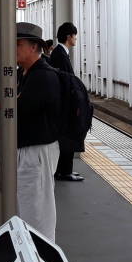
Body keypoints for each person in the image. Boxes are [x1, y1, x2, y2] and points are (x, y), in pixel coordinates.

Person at [16, 22, 61, 242]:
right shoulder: (25, 73)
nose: (13, 48)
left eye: (18, 44)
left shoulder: (42, 76)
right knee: (29, 209)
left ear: (34, 47)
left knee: (38, 214)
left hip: (37, 153)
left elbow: (20, 111)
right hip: (29, 151)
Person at [49, 22, 85, 183]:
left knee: (65, 137)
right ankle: (64, 171)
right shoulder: (60, 55)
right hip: (65, 105)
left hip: (63, 104)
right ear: (69, 36)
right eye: (74, 35)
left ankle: (63, 170)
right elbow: (66, 81)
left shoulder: (59, 53)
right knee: (68, 137)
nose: (76, 38)